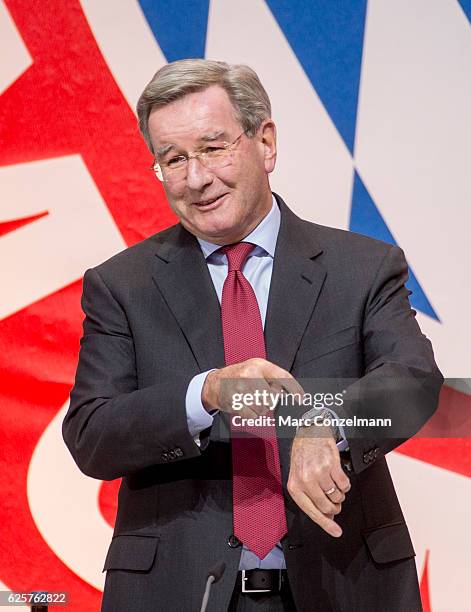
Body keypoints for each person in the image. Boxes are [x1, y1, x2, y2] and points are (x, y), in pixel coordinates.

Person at [62, 59, 443, 612]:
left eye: (213, 148)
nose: (195, 178)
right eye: (173, 159)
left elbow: (413, 383)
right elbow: (92, 434)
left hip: (342, 584)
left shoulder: (361, 267)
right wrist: (206, 393)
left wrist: (326, 423)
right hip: (180, 590)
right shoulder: (122, 285)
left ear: (265, 143)